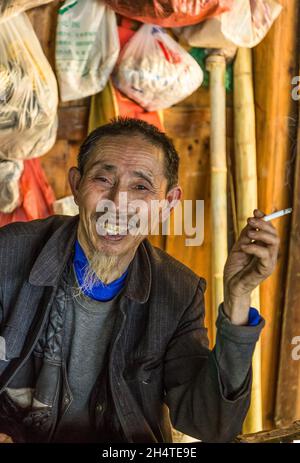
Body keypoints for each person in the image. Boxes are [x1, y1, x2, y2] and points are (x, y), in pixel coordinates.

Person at [0, 118, 280, 443]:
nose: (118, 202)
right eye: (103, 179)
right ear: (76, 185)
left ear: (168, 204)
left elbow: (208, 424)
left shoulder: (178, 291)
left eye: (141, 187)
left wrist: (238, 297)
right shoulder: (10, 253)